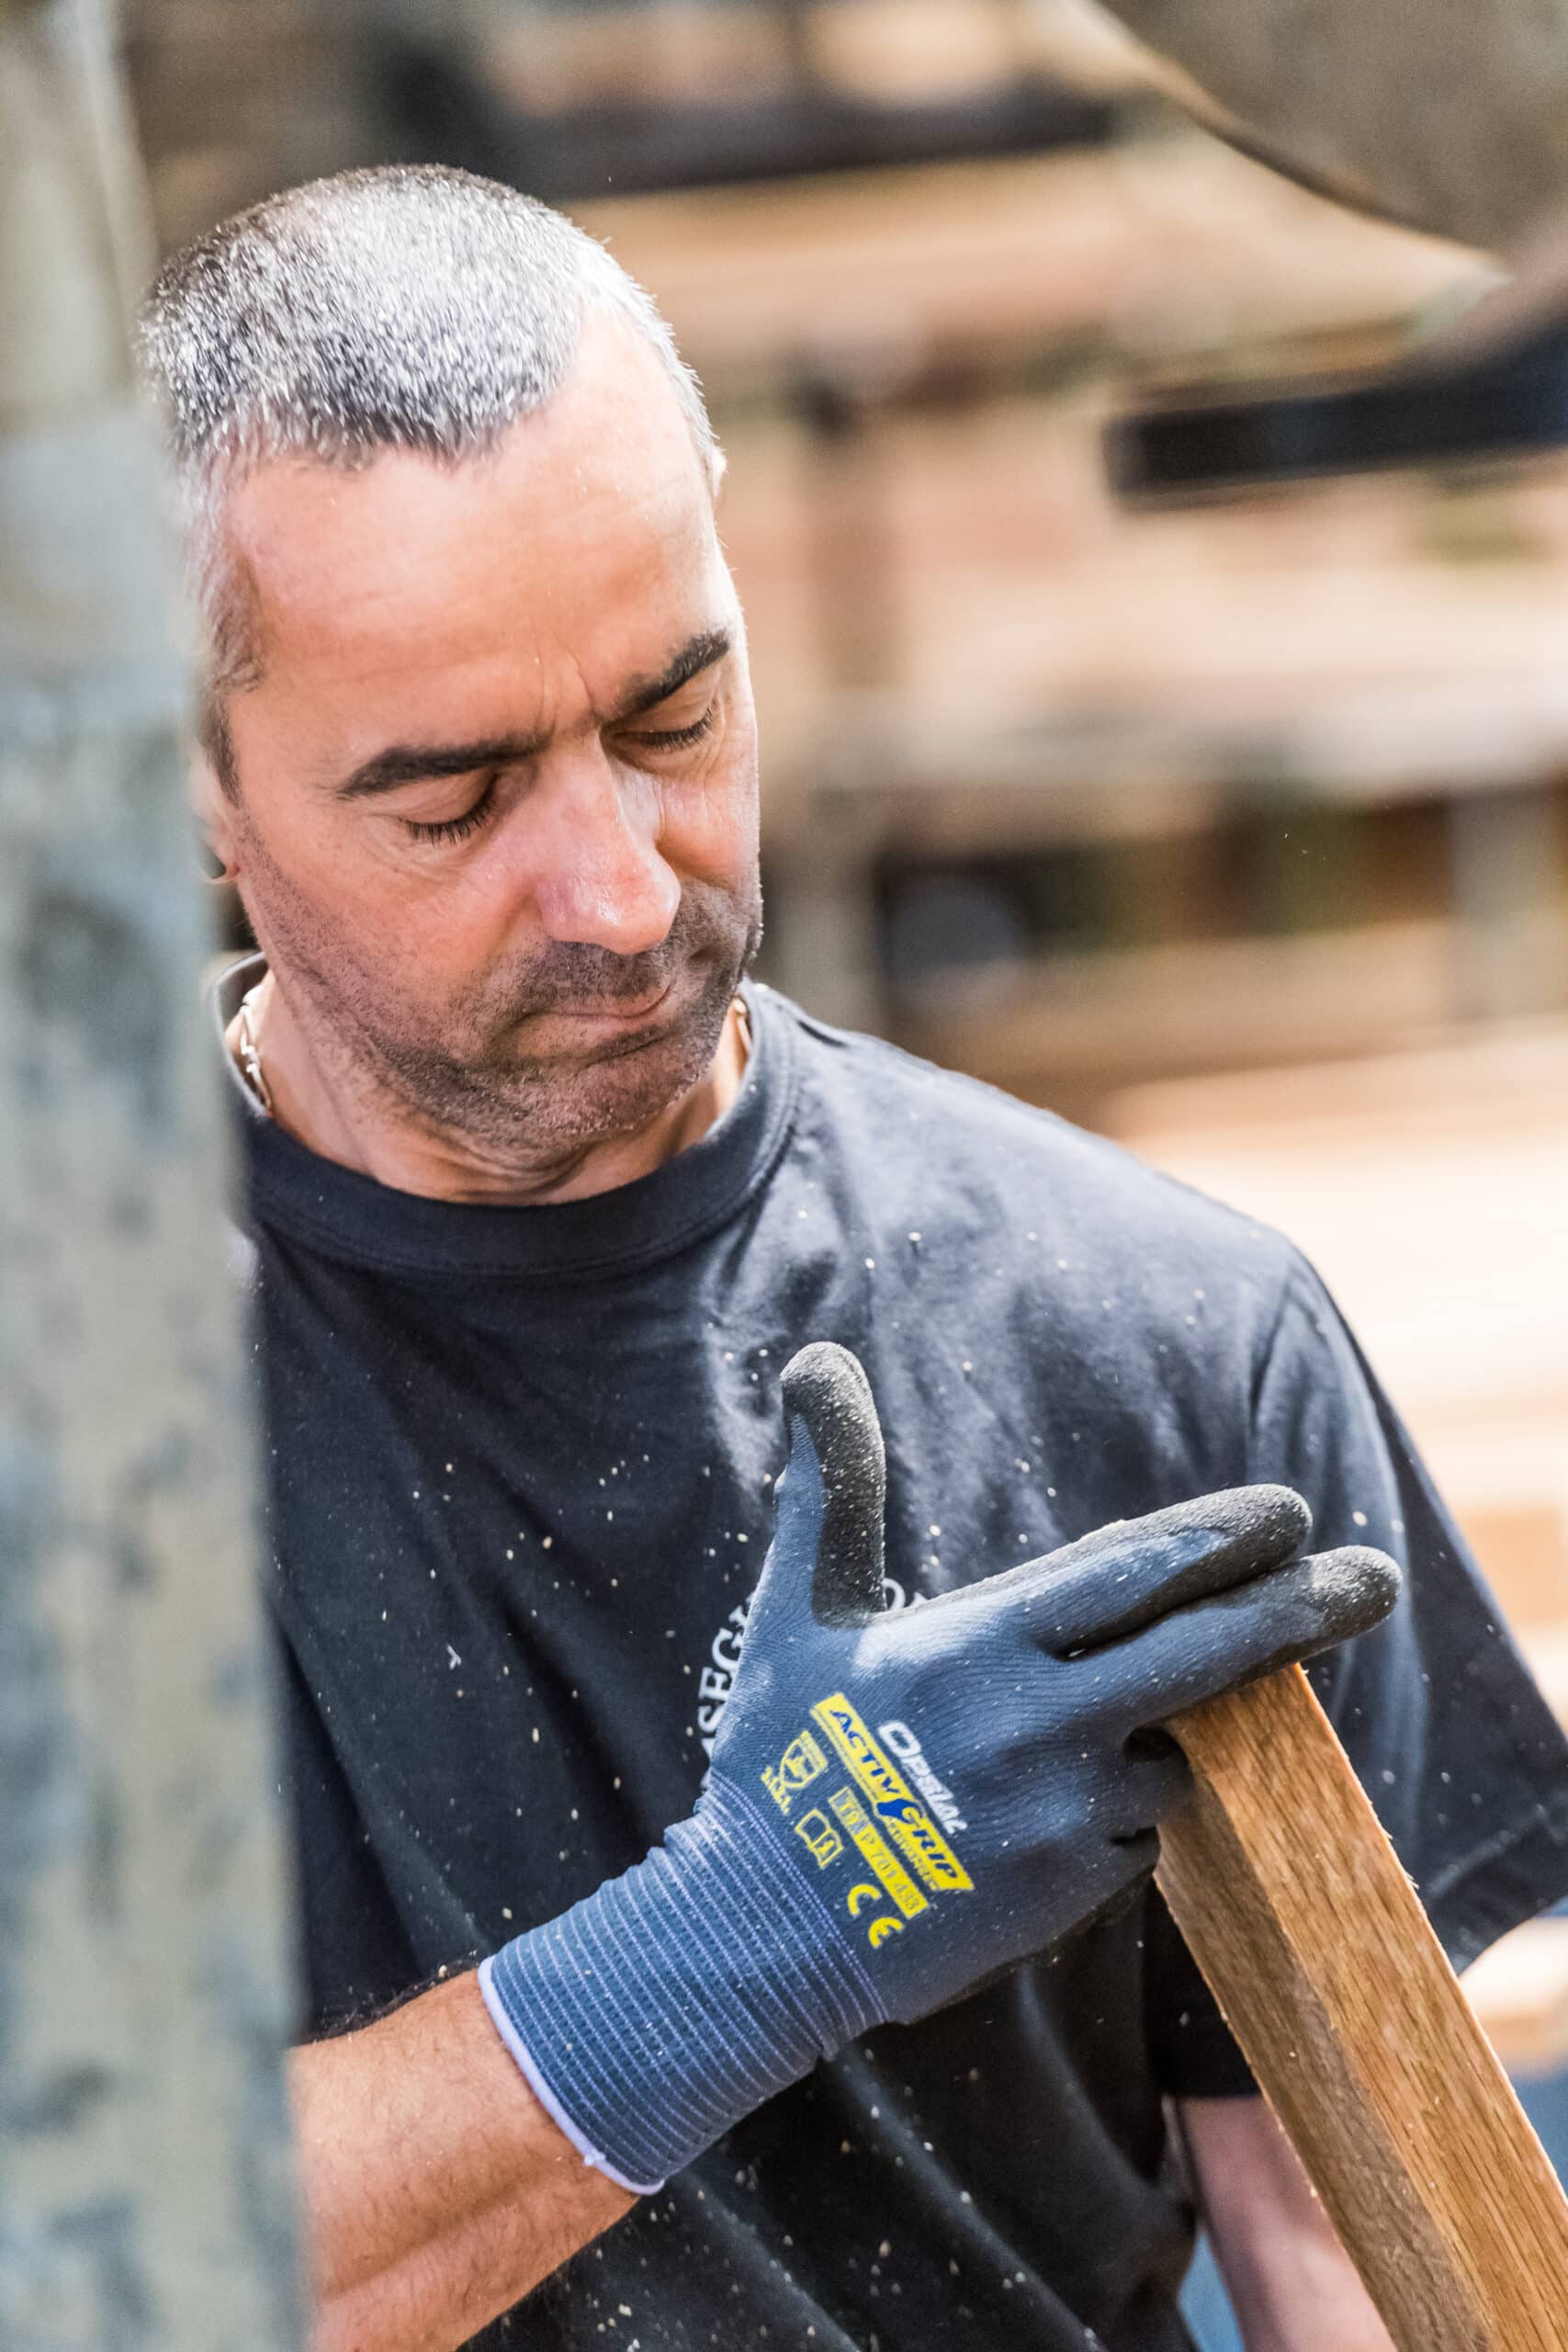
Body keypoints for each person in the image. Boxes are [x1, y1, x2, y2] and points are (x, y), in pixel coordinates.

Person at [139, 166, 1568, 2352]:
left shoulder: (1149, 1342)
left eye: (672, 715)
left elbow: (1368, 2263)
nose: (618, 889)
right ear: (197, 782)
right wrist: (763, 1922)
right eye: (454, 803)